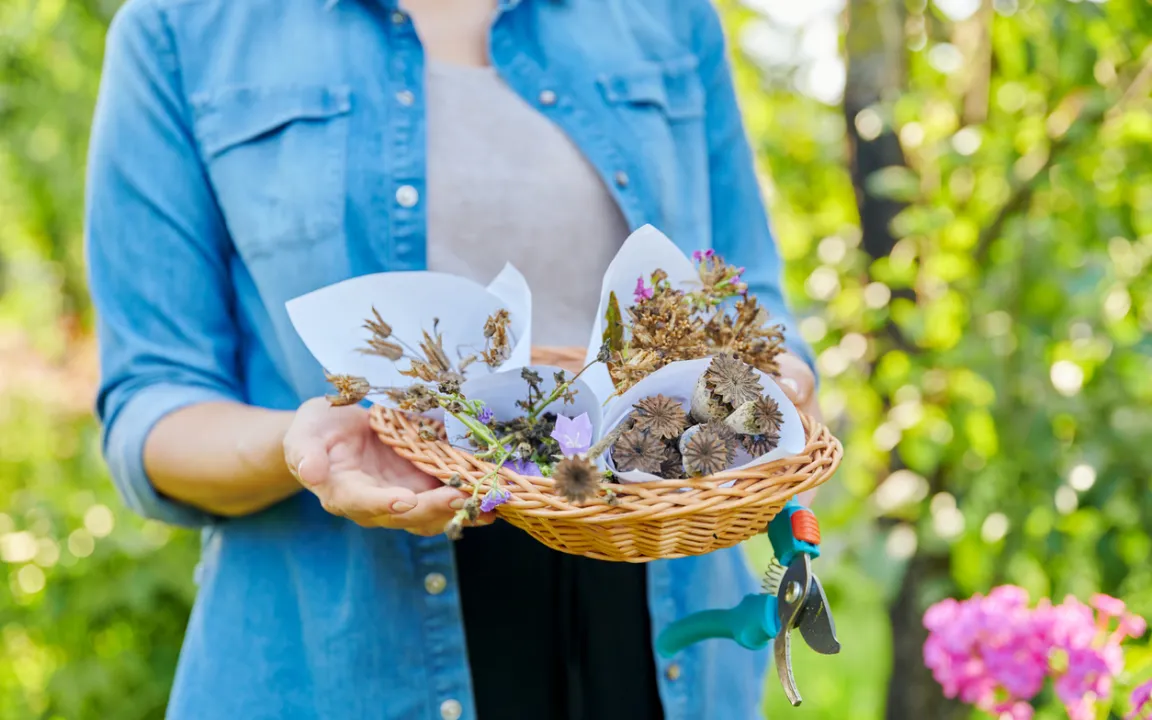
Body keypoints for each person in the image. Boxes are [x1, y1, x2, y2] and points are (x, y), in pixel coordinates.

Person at [85, 0, 820, 717]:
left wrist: (779, 383)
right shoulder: (181, 31)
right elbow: (153, 409)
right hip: (348, 644)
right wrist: (299, 448)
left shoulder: (665, 18)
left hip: (653, 610)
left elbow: (747, 296)